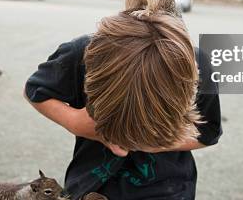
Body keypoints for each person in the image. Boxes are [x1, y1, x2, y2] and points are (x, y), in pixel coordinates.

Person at [24, 12, 222, 199]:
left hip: (170, 190)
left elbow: (207, 132)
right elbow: (34, 90)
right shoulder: (83, 54)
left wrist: (155, 142)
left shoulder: (195, 65)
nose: (122, 148)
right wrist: (75, 122)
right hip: (89, 187)